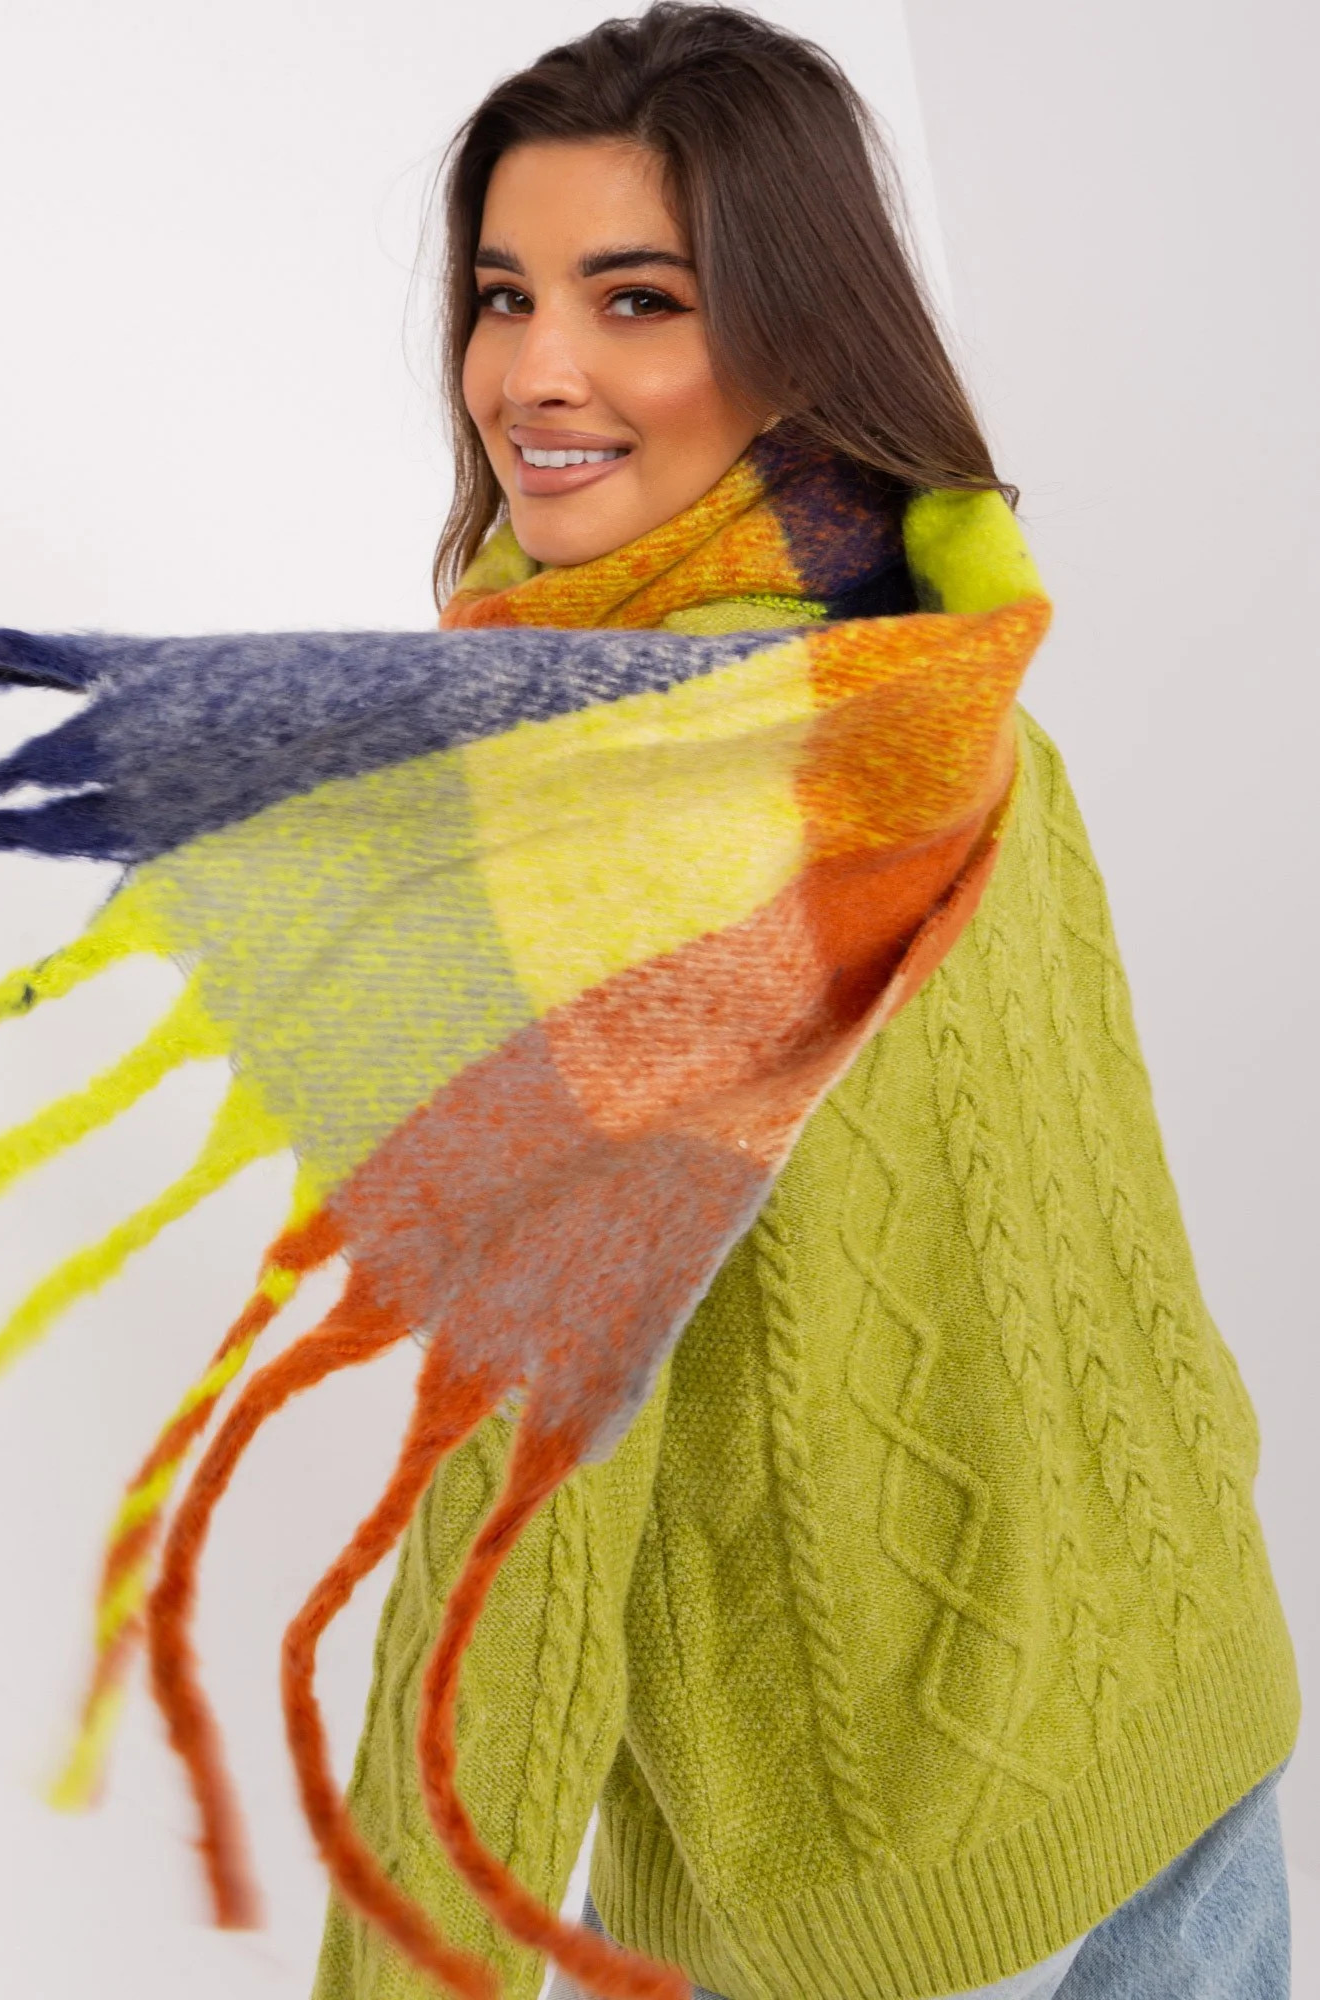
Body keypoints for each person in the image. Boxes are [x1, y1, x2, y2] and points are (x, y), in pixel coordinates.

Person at [311, 9, 1299, 2000]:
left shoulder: (631, 823)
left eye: (637, 299)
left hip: (893, 1907)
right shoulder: (943, 662)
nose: (535, 372)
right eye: (504, 294)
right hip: (1188, 1704)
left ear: (794, 333)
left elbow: (517, 1536)